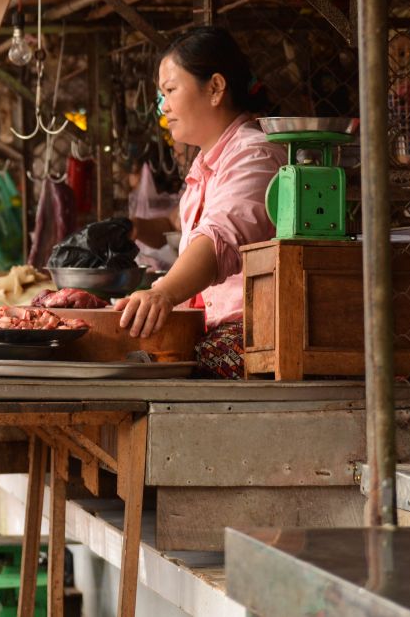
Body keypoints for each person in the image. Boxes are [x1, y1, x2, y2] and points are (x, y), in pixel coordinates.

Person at [115, 26, 285, 378]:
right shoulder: (207, 165)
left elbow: (219, 238)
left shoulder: (254, 154)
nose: (164, 107)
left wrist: (162, 293)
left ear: (215, 88)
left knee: (147, 370)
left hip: (257, 333)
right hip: (221, 328)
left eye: (170, 90)